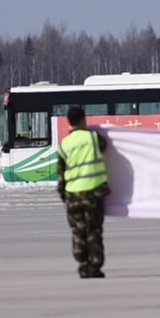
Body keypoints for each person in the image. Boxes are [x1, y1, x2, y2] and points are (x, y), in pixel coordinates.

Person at [57, 106, 111, 278]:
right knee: (93, 231)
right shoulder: (93, 138)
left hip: (73, 195)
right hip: (93, 194)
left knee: (78, 231)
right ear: (83, 120)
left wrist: (64, 198)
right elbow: (104, 146)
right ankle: (94, 267)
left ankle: (82, 264)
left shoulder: (64, 144)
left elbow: (60, 175)